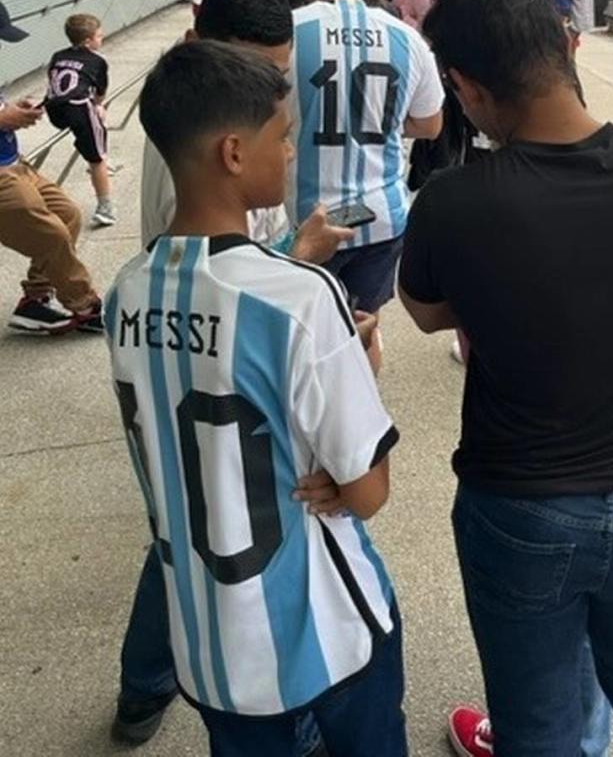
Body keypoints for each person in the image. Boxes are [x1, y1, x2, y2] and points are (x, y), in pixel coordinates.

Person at [393, 0, 613, 757]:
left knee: (535, 721)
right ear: (570, 44)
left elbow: (428, 310)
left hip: (522, 508)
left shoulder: (457, 203)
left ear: (466, 88)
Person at [107, 39, 406, 755]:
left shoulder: (127, 290)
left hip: (209, 641)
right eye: (285, 136)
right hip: (324, 630)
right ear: (235, 153)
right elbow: (366, 492)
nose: (293, 150)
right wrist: (354, 359)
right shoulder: (303, 301)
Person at [140, 0, 350, 259]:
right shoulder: (195, 162)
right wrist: (303, 257)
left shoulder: (208, 121)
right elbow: (216, 293)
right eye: (243, 76)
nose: (264, 96)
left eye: (276, 77)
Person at [291, 0, 444, 312]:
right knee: (363, 323)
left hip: (308, 220)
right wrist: (380, 121)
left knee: (308, 330)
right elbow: (430, 125)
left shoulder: (289, 32)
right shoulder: (407, 38)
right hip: (382, 214)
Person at [0, 1, 104, 335]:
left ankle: (35, 301)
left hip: (15, 164)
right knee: (51, 235)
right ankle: (85, 305)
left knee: (67, 214)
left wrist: (14, 109)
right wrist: (3, 119)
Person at [44, 13, 115, 227]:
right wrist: (98, 106)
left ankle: (100, 155)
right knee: (96, 159)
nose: (101, 39)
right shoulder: (97, 61)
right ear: (88, 41)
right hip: (79, 109)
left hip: (54, 109)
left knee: (95, 127)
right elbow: (100, 93)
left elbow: (51, 79)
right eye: (99, 36)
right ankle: (106, 208)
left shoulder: (57, 56)